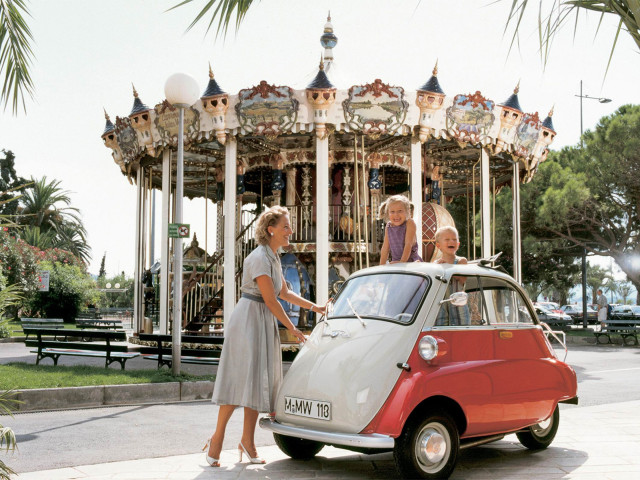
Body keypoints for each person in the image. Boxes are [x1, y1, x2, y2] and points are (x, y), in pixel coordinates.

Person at [204, 206, 326, 467]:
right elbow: (271, 300)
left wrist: (315, 307)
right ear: (271, 229)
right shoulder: (259, 257)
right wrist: (292, 328)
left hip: (262, 319)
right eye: (286, 226)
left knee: (256, 381)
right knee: (237, 379)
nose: (290, 231)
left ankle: (247, 442)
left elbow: (285, 294)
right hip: (249, 318)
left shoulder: (273, 256)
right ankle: (217, 438)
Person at [433, 226, 470, 325]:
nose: (451, 242)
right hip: (442, 303)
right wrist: (437, 268)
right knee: (441, 326)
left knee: (461, 327)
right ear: (438, 245)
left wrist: (445, 267)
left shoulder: (461, 261)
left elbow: (462, 279)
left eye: (454, 239)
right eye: (447, 239)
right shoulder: (436, 263)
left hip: (459, 303)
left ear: (458, 244)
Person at [379, 194, 422, 264]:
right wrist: (381, 266)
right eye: (392, 212)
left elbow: (408, 245)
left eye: (400, 211)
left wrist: (401, 262)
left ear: (407, 211)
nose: (396, 215)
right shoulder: (389, 226)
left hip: (411, 263)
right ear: (388, 213)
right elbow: (385, 248)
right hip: (396, 263)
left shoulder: (409, 223)